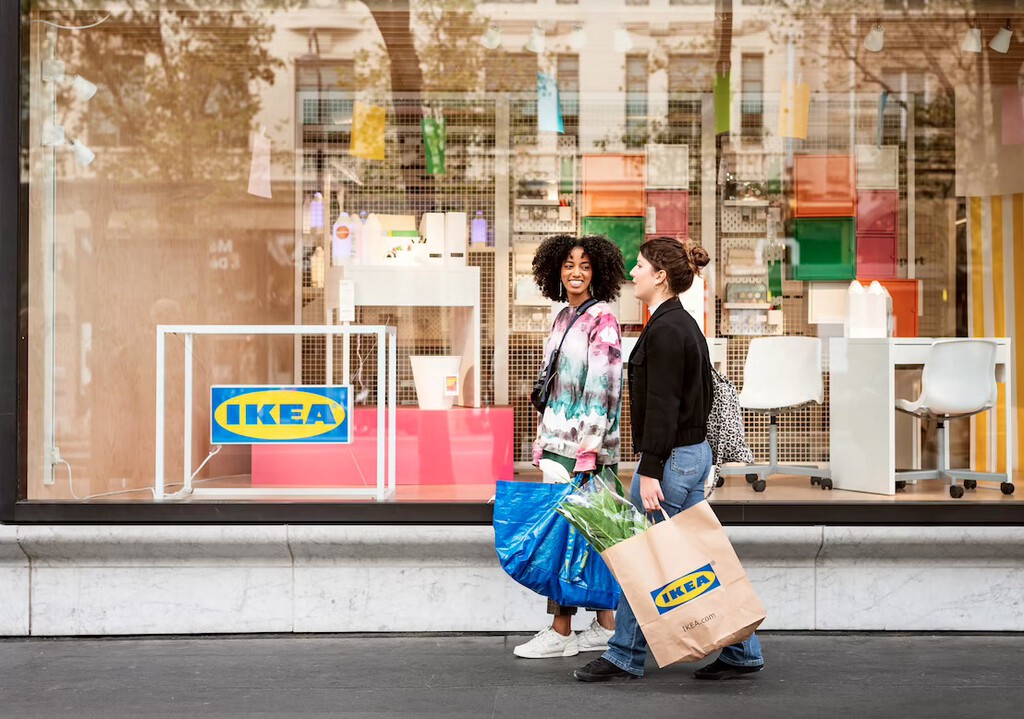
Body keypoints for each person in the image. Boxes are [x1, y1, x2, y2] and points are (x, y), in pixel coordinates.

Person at [574, 237, 766, 682]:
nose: (633, 273)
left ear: (660, 276)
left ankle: (624, 654)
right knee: (693, 558)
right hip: (690, 454)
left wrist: (650, 470)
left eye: (640, 266)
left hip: (671, 460)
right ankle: (742, 650)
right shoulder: (681, 324)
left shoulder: (665, 330)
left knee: (642, 557)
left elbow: (663, 406)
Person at [513, 233, 627, 660]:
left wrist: (589, 449)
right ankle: (604, 625)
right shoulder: (563, 317)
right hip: (559, 445)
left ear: (598, 272)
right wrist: (543, 442)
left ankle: (562, 630)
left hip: (582, 450)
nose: (575, 272)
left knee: (573, 535)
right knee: (581, 533)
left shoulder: (603, 319)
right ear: (555, 271)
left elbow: (603, 389)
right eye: (568, 265)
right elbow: (553, 388)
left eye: (584, 265)